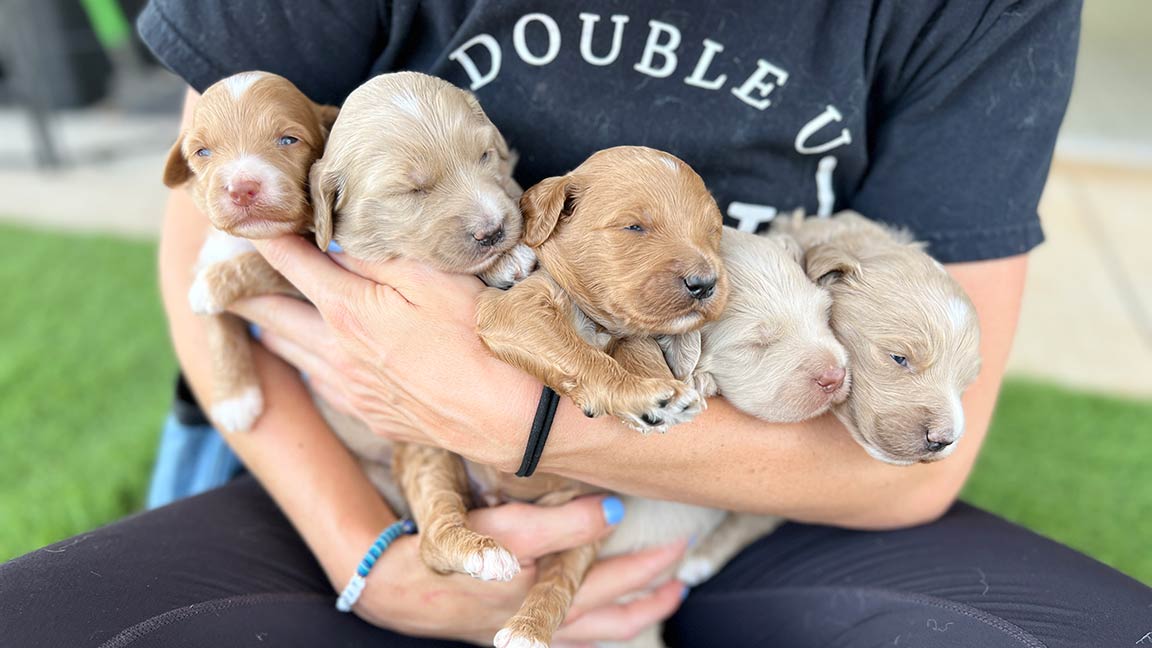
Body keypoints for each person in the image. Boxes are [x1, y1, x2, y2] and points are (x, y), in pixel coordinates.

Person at [2, 1, 1149, 647]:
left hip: (769, 496)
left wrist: (531, 422)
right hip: (374, 481)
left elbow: (918, 463)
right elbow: (204, 228)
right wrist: (373, 555)